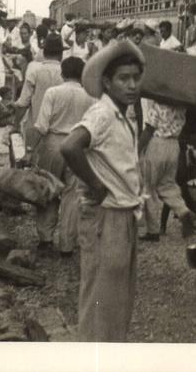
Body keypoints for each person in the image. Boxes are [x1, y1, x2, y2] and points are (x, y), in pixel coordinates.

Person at [59, 40, 145, 342]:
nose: (132, 85)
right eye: (124, 78)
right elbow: (69, 146)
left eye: (136, 77)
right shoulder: (103, 114)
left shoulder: (121, 114)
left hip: (122, 215)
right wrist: (96, 185)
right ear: (107, 82)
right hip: (106, 217)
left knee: (116, 301)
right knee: (101, 302)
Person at [26, 57, 96, 255]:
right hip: (77, 146)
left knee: (47, 190)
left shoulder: (53, 92)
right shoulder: (90, 96)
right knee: (72, 195)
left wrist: (30, 150)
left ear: (62, 73)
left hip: (53, 144)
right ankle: (67, 243)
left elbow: (41, 126)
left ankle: (45, 238)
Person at [138, 96, 196, 241]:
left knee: (148, 187)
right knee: (167, 184)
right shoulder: (182, 106)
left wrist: (137, 149)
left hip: (158, 144)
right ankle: (183, 211)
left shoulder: (158, 105)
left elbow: (149, 129)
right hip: (174, 145)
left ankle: (152, 230)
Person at [14, 34, 64, 152]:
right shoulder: (66, 71)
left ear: (44, 53)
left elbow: (23, 102)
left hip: (37, 127)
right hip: (60, 130)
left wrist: (15, 124)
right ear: (61, 54)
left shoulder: (34, 70)